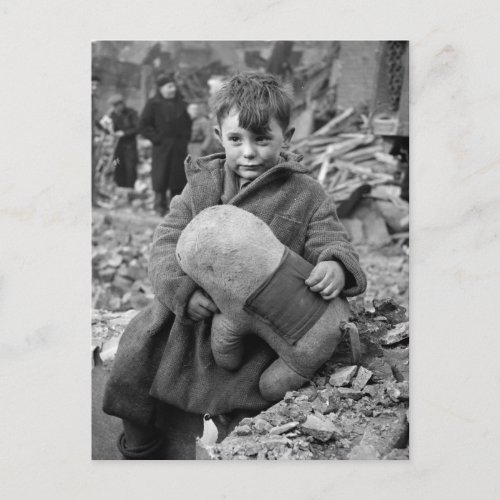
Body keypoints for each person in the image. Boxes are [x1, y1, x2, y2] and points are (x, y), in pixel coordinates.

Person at [103, 72, 367, 459]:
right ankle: (139, 441)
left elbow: (329, 237)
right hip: (192, 314)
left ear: (287, 137)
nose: (249, 153)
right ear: (218, 135)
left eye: (263, 140)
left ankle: (232, 446)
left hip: (256, 323)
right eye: (236, 139)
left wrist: (335, 265)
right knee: (138, 349)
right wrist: (182, 291)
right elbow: (165, 241)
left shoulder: (304, 193)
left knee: (248, 385)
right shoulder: (201, 186)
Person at [139, 73, 192, 216]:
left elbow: (187, 123)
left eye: (174, 86)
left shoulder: (181, 103)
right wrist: (157, 139)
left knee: (177, 177)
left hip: (179, 147)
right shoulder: (153, 104)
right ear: (161, 89)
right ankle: (159, 206)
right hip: (162, 147)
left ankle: (176, 209)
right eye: (169, 87)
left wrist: (185, 138)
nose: (173, 89)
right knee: (161, 176)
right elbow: (143, 125)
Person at [101, 94, 140, 189]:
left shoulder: (131, 113)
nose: (115, 108)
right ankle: (119, 186)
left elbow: (138, 128)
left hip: (129, 148)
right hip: (117, 148)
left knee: (130, 167)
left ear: (122, 104)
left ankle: (130, 187)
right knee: (116, 165)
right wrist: (105, 126)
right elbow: (109, 130)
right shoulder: (112, 115)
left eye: (117, 105)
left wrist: (124, 133)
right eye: (113, 106)